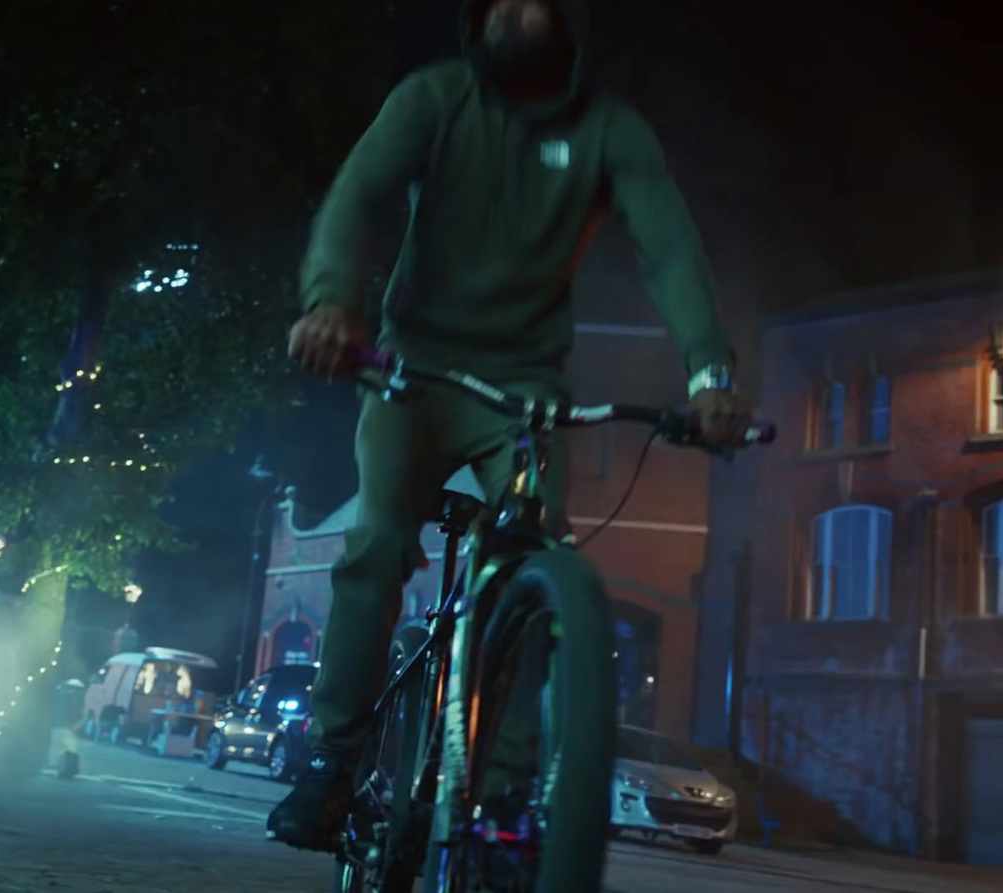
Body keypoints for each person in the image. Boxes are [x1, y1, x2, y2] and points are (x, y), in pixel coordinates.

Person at [267, 0, 753, 850]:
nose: (516, 10)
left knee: (538, 559)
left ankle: (504, 794)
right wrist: (331, 304)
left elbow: (669, 249)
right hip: (411, 374)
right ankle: (332, 764)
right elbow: (355, 197)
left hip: (523, 391)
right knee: (377, 544)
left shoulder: (610, 131)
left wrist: (710, 373)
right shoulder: (433, 98)